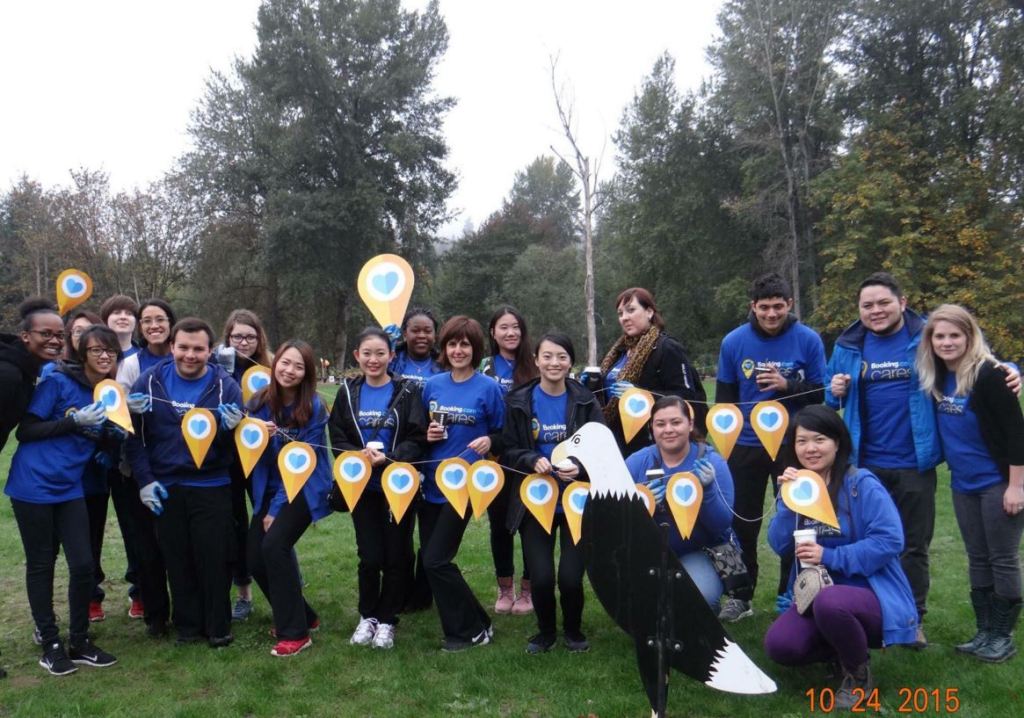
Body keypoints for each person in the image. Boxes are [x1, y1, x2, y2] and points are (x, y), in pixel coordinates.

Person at [826, 274, 1019, 646]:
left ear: (902, 302)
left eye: (884, 302)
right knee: (866, 541)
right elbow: (831, 392)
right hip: (864, 464)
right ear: (859, 310)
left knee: (914, 547)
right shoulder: (848, 344)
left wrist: (1012, 369)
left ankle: (913, 618)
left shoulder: (925, 336)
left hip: (914, 462)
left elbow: (972, 357)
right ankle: (871, 613)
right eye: (867, 305)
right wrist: (834, 390)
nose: (876, 310)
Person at [764, 405, 917, 709]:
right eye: (802, 441)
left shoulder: (861, 484)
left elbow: (890, 540)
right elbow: (779, 545)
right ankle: (841, 649)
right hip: (814, 593)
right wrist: (787, 504)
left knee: (830, 602)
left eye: (819, 439)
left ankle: (858, 674)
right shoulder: (798, 488)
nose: (810, 448)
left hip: (870, 594)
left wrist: (829, 555)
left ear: (837, 442)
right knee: (781, 646)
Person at [6, 325, 123, 675]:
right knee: (42, 563)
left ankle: (80, 641)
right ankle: (50, 643)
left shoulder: (110, 393)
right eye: (96, 350)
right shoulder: (58, 382)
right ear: (82, 354)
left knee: (84, 564)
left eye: (111, 351)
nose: (104, 356)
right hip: (33, 484)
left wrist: (116, 432)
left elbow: (102, 439)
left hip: (71, 486)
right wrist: (73, 421)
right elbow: (26, 430)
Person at [125, 317, 244, 647]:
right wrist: (144, 480)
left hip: (211, 483)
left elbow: (239, 446)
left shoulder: (226, 387)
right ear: (172, 347)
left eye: (198, 349)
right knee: (177, 558)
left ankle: (218, 626)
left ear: (210, 350)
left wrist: (231, 429)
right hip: (166, 485)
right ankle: (188, 627)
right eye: (183, 348)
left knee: (214, 557)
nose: (190, 355)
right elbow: (134, 438)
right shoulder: (150, 381)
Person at [716, 272, 826, 622]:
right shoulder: (734, 342)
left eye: (778, 306)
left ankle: (790, 594)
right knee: (738, 523)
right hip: (744, 445)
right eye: (764, 307)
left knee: (796, 520)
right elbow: (724, 402)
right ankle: (740, 596)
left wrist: (787, 385)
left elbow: (821, 394)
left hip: (792, 446)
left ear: (789, 304)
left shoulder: (808, 339)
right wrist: (725, 443)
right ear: (753, 306)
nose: (772, 314)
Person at [917, 304, 1024, 662]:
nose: (947, 342)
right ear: (930, 340)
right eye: (940, 336)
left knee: (1002, 558)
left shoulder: (990, 375)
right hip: (963, 484)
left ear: (969, 336)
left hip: (997, 482)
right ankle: (984, 631)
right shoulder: (937, 376)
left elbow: (1016, 433)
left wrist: (1016, 486)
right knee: (977, 557)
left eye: (955, 335)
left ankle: (1002, 636)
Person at [502, 332, 603, 653]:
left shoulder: (586, 401)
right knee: (542, 577)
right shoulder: (518, 401)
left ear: (571, 362)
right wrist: (531, 459)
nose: (554, 363)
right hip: (536, 503)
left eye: (561, 356)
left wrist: (581, 467)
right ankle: (545, 633)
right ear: (536, 360)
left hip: (576, 504)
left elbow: (602, 449)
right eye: (547, 356)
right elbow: (508, 450)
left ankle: (573, 631)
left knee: (571, 578)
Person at [328, 327, 427, 649]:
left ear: (391, 356)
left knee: (396, 555)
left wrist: (391, 457)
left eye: (380, 353)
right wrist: (355, 457)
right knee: (369, 556)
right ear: (357, 356)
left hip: (398, 486)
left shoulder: (407, 391)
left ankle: (387, 620)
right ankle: (367, 616)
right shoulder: (347, 391)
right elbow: (337, 435)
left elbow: (417, 437)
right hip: (362, 487)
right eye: (367, 353)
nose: (374, 359)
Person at [420, 316, 505, 651]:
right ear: (444, 348)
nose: (458, 350)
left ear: (475, 348)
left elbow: (505, 434)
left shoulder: (489, 388)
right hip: (431, 485)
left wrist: (490, 440)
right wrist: (426, 435)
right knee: (433, 560)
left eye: (465, 344)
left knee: (436, 560)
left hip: (466, 487)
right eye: (452, 344)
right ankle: (480, 623)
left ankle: (468, 633)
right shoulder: (432, 386)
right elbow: (417, 431)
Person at [247, 340, 333, 657]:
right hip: (270, 488)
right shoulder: (258, 402)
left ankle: (295, 632)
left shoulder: (314, 408)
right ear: (275, 364)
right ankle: (304, 615)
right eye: (285, 362)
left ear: (307, 373)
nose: (289, 370)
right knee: (254, 556)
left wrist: (276, 510)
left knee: (274, 545)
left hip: (305, 487)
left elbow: (300, 463)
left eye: (299, 366)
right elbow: (250, 450)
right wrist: (252, 429)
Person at [624, 395, 736, 609]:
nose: (668, 429)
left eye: (676, 422)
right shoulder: (636, 462)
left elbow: (722, 525)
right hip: (650, 551)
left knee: (700, 596)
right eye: (660, 424)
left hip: (701, 550)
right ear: (651, 428)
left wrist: (708, 491)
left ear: (690, 424)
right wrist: (643, 507)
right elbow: (619, 521)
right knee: (638, 599)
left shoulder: (712, 462)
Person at [592, 287, 707, 456]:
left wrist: (641, 395)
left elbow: (686, 397)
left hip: (651, 442)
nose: (624, 318)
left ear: (649, 312)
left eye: (631, 310)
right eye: (620, 313)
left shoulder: (667, 348)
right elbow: (609, 397)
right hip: (615, 440)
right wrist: (591, 386)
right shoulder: (618, 351)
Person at [480, 305, 538, 615]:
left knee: (531, 523)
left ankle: (528, 590)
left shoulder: (535, 364)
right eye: (503, 327)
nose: (510, 332)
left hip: (528, 457)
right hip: (495, 457)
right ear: (493, 332)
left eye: (515, 326)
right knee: (500, 525)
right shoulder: (484, 367)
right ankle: (505, 588)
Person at [218, 309, 273, 622]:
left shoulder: (270, 367)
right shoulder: (215, 366)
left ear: (259, 338)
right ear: (227, 337)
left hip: (262, 457)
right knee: (236, 525)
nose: (243, 342)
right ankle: (244, 593)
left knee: (270, 519)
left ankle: (285, 576)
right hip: (228, 459)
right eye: (237, 336)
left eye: (250, 336)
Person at [387, 306, 442, 386]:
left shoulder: (445, 366)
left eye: (427, 331)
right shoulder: (391, 362)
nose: (422, 336)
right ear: (405, 334)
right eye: (415, 331)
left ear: (435, 336)